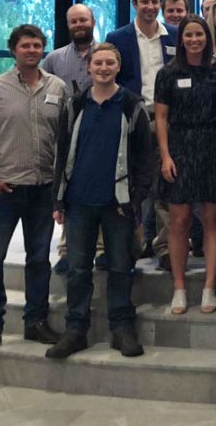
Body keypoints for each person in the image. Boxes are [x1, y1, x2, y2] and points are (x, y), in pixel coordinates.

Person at [0, 24, 67, 353]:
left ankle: (35, 322)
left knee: (39, 259)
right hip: (4, 189)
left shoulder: (58, 87)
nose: (32, 50)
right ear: (14, 50)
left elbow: (65, 140)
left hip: (43, 189)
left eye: (37, 45)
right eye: (25, 46)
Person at [47, 42, 152, 359]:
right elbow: (62, 152)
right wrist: (58, 199)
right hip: (79, 201)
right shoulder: (75, 105)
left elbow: (145, 160)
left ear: (118, 67)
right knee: (78, 270)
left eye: (110, 63)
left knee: (121, 267)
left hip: (117, 203)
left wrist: (135, 199)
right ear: (89, 67)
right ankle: (75, 329)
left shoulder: (132, 106)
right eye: (98, 63)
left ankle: (122, 328)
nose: (104, 68)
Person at [154, 15, 216, 315]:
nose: (194, 39)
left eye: (199, 34)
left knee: (213, 219)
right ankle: (179, 287)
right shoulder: (168, 74)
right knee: (179, 220)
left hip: (214, 147)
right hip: (180, 148)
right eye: (189, 35)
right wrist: (165, 156)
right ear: (181, 39)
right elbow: (161, 117)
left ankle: (210, 285)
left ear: (207, 37)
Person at [106, 0, 178, 270]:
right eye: (144, 1)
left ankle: (165, 247)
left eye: (154, 1)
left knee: (166, 185)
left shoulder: (173, 35)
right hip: (132, 117)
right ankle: (131, 245)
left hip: (167, 118)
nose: (150, 7)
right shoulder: (118, 37)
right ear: (134, 3)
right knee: (132, 183)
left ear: (161, 4)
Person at [42, 3, 104, 274]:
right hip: (69, 134)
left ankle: (102, 249)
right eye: (74, 21)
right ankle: (67, 249)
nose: (79, 25)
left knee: (103, 189)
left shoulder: (105, 53)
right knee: (69, 190)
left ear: (92, 22)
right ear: (69, 25)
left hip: (103, 132)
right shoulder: (54, 59)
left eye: (83, 20)